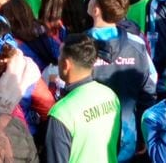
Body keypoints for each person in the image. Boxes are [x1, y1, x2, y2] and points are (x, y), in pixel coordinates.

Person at [47, 34, 122, 163]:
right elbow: (116, 146)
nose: (57, 59)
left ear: (66, 64)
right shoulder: (111, 96)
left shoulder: (61, 113)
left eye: (60, 55)